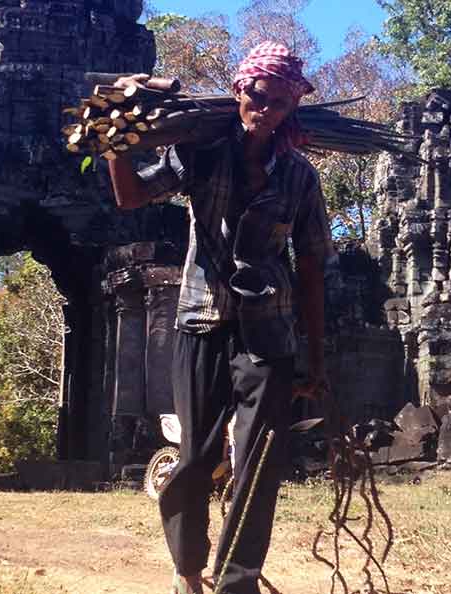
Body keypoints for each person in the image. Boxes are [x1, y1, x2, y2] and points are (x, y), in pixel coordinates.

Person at [106, 41, 332, 594]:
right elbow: (133, 196)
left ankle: (238, 582)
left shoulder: (299, 176)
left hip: (269, 330)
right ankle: (189, 570)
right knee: (195, 458)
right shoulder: (200, 154)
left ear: (292, 108)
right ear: (238, 91)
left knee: (260, 464)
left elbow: (309, 269)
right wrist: (112, 141)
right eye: (259, 96)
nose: (268, 109)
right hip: (202, 318)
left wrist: (315, 359)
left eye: (281, 102)